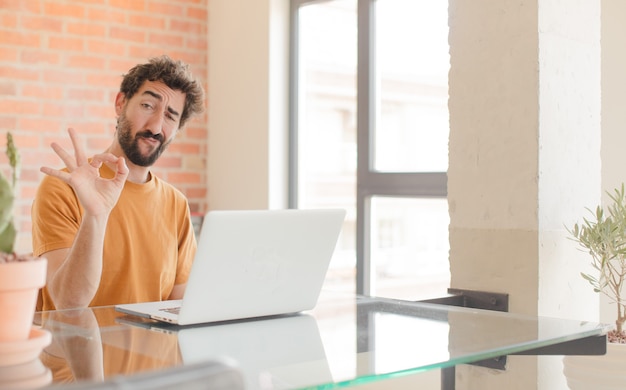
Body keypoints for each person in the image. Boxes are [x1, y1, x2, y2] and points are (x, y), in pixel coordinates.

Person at [31, 55, 205, 311]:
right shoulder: (62, 189)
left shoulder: (176, 204)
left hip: (153, 353)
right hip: (76, 352)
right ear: (121, 103)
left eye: (170, 116)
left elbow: (179, 310)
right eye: (148, 105)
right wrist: (96, 215)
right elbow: (68, 304)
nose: (156, 126)